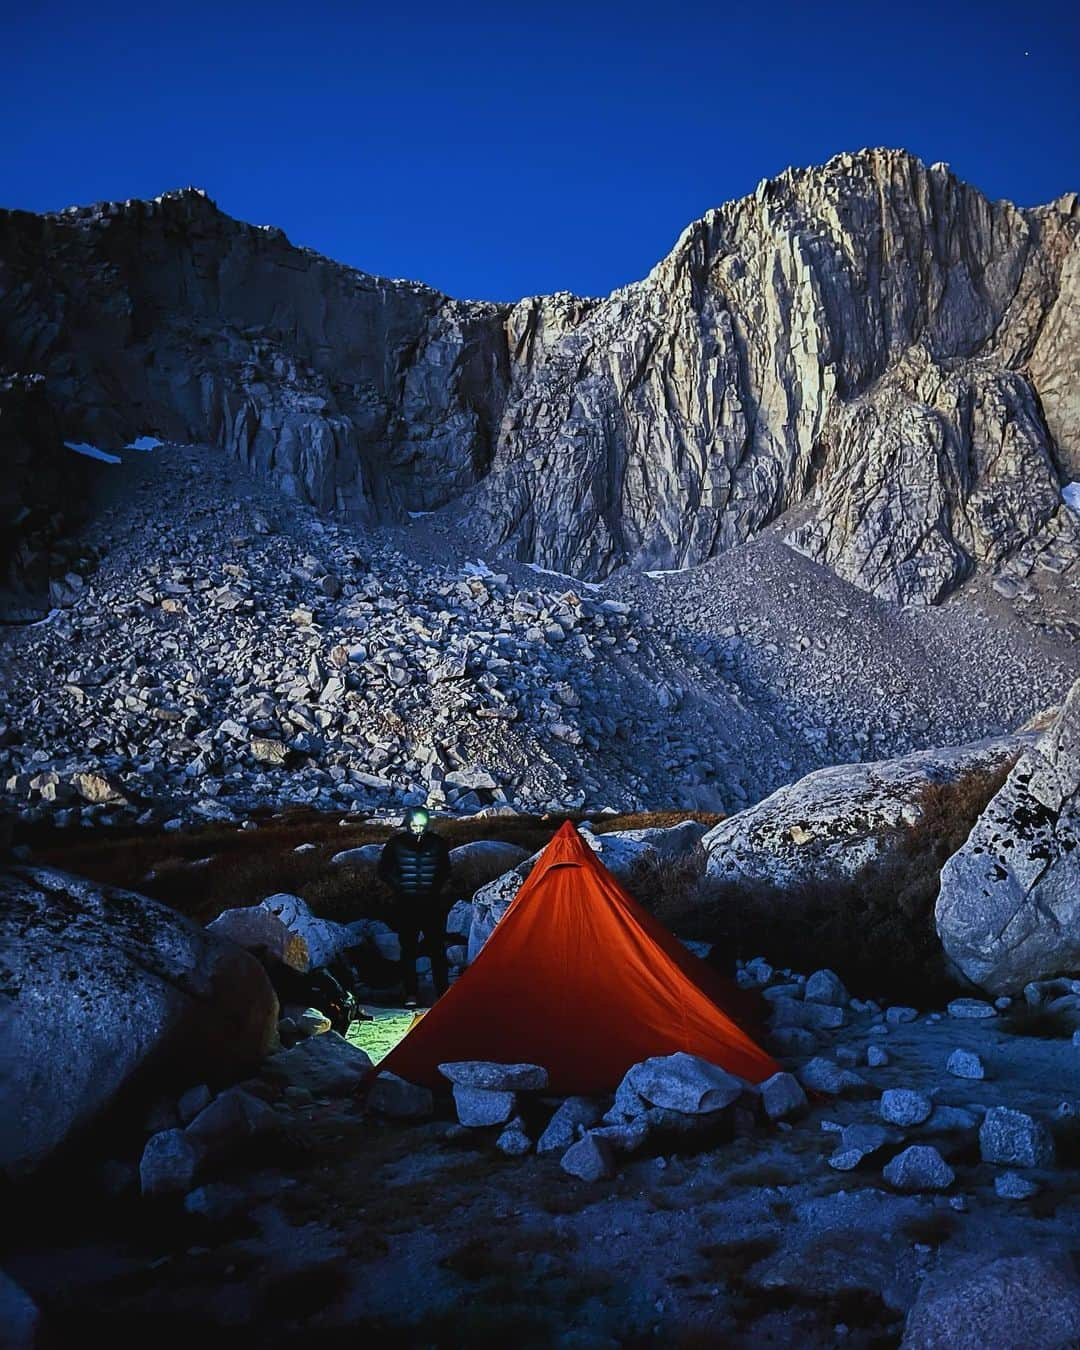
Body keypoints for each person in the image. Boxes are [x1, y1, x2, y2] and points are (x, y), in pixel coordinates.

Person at [376, 806, 453, 1008]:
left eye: (421, 824)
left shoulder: (438, 843)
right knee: (408, 950)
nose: (418, 828)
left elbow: (445, 869)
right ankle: (410, 992)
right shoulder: (396, 844)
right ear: (408, 823)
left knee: (437, 949)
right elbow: (383, 870)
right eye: (414, 824)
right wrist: (399, 885)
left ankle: (443, 990)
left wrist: (435, 888)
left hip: (431, 904)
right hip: (406, 905)